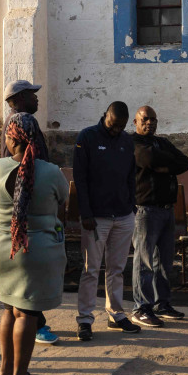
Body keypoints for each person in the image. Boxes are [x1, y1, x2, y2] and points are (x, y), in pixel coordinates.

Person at [0, 112, 67, 375]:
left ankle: (4, 370)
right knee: (28, 315)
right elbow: (64, 199)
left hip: (1, 249)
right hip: (35, 252)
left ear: (11, 139)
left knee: (9, 309)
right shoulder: (51, 171)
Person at [74, 101, 139, 341]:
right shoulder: (87, 137)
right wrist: (86, 213)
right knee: (91, 269)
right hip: (96, 218)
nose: (116, 130)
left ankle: (116, 314)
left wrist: (131, 206)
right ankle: (85, 319)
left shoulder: (126, 141)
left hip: (123, 215)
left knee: (117, 269)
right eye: (113, 126)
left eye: (121, 127)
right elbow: (80, 179)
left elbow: (131, 176)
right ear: (105, 117)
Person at [130, 105, 188, 329]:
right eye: (145, 119)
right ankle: (140, 307)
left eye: (153, 119)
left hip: (167, 209)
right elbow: (148, 160)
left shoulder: (162, 143)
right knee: (144, 261)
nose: (150, 123)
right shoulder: (133, 143)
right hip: (145, 210)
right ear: (135, 122)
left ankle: (161, 304)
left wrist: (165, 166)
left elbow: (184, 162)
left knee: (165, 262)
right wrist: (167, 165)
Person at [1, 79, 52, 343]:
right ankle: (35, 324)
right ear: (20, 98)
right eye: (32, 95)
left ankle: (31, 320)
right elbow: (16, 172)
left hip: (26, 205)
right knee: (28, 274)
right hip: (27, 208)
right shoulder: (19, 123)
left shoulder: (19, 121)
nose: (37, 99)